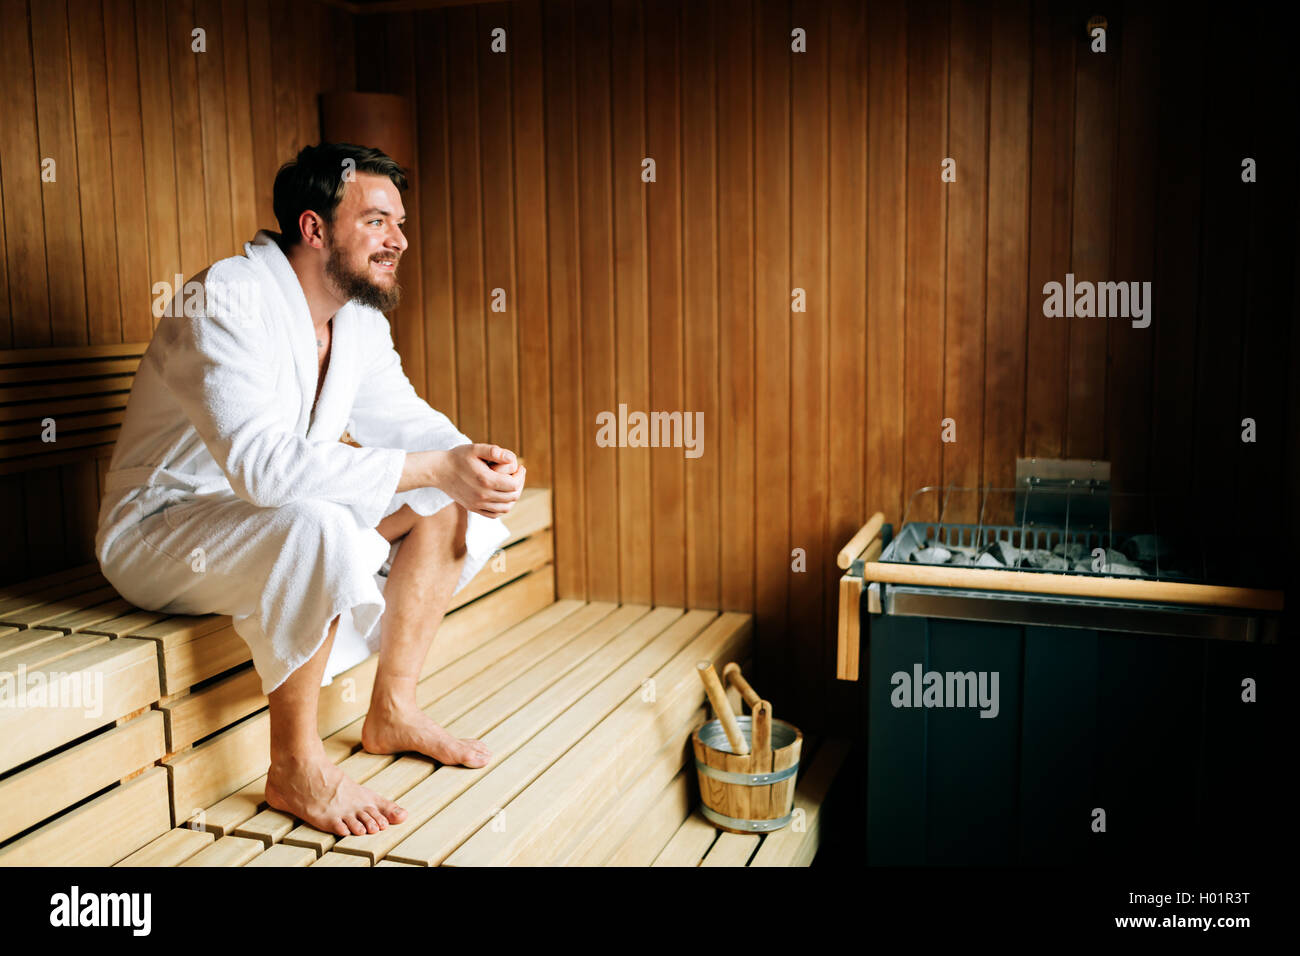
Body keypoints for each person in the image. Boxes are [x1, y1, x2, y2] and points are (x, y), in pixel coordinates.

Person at [95, 143, 526, 838]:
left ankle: (395, 709)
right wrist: (432, 465)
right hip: (164, 530)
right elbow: (265, 469)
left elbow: (407, 425)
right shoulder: (228, 296)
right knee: (315, 521)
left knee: (443, 498)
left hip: (265, 517)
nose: (400, 240)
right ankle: (294, 764)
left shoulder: (358, 322)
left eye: (400, 223)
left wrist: (471, 460)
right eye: (379, 221)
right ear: (314, 227)